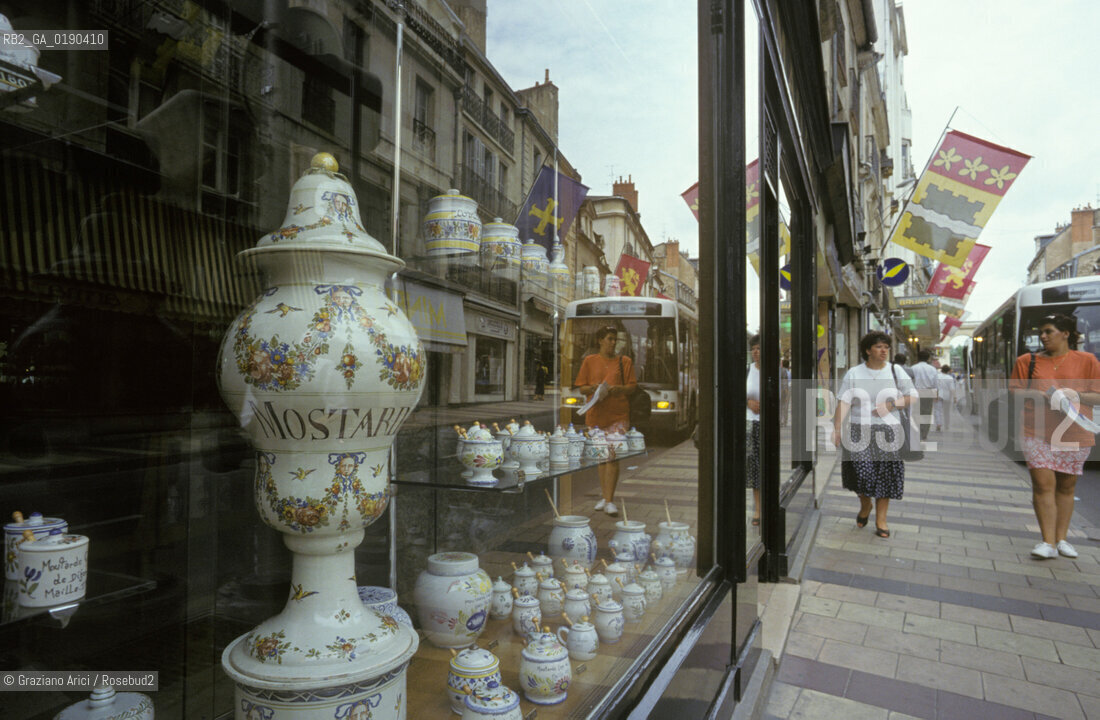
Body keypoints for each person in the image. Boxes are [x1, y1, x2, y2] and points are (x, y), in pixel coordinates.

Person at [1008, 313, 1100, 559]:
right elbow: (1014, 392)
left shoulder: (1087, 360)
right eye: (1041, 331)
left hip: (1075, 432)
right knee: (1042, 485)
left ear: (1066, 334)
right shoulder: (1026, 361)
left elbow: (1098, 395)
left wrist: (1070, 395)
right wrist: (1041, 397)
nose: (1043, 336)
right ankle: (1047, 542)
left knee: (1066, 487)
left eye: (1049, 331)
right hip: (1035, 431)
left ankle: (1061, 540)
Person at [832, 331, 916, 538]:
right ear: (868, 350)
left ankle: (881, 520)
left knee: (886, 477)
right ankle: (865, 504)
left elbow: (912, 395)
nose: (884, 350)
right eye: (879, 347)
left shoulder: (896, 371)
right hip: (859, 430)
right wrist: (836, 429)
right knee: (861, 475)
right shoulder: (854, 373)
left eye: (886, 347)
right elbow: (844, 401)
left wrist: (891, 405)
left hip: (890, 431)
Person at [573, 326, 637, 516]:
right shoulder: (589, 361)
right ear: (600, 340)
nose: (613, 342)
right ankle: (605, 496)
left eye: (615, 339)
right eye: (609, 339)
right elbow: (581, 388)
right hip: (595, 415)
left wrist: (619, 389)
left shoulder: (624, 361)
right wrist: (593, 388)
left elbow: (632, 387)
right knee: (602, 456)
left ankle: (609, 500)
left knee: (612, 456)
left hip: (618, 415)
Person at [746, 335, 762, 527]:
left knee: (765, 467)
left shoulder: (778, 372)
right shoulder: (747, 370)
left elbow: (784, 401)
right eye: (754, 349)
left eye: (759, 348)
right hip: (750, 423)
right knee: (753, 468)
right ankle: (758, 509)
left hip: (767, 426)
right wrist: (748, 402)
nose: (756, 352)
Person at [910, 349, 939, 440]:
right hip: (928, 392)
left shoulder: (913, 368)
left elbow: (910, 381)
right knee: (926, 414)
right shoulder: (932, 369)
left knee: (915, 413)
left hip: (916, 392)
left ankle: (916, 431)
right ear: (928, 358)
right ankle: (924, 433)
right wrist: (936, 395)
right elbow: (935, 383)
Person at [933, 364, 956, 432]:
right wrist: (955, 397)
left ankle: (938, 424)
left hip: (938, 395)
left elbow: (934, 386)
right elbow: (952, 389)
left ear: (941, 369)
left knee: (937, 410)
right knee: (946, 412)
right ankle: (946, 425)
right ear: (948, 371)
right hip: (947, 396)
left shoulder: (937, 376)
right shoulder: (950, 378)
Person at [779, 357, 792, 427]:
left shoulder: (782, 371)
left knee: (781, 405)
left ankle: (781, 420)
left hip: (784, 389)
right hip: (787, 389)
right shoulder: (789, 372)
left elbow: (784, 382)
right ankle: (785, 421)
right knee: (785, 406)